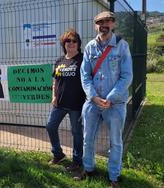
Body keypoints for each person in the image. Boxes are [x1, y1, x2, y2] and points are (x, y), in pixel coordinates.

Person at [78, 11, 133, 187]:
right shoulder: (89, 47)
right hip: (92, 103)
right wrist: (93, 97)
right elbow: (84, 76)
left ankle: (113, 177)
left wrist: (110, 98)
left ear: (113, 24)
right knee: (88, 139)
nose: (104, 24)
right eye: (100, 21)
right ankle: (88, 169)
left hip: (115, 104)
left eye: (108, 21)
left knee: (115, 142)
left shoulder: (122, 45)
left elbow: (127, 76)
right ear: (96, 25)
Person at [46, 28, 86, 170]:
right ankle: (58, 154)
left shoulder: (82, 59)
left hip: (77, 104)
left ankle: (77, 161)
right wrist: (54, 96)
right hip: (60, 103)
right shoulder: (59, 61)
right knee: (50, 126)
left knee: (76, 132)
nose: (70, 43)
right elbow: (55, 81)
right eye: (67, 41)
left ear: (78, 44)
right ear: (63, 44)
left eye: (74, 41)